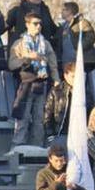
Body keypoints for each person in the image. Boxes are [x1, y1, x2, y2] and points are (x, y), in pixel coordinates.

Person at [9, 13, 58, 147]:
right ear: (27, 25)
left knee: (39, 119)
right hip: (26, 84)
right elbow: (12, 64)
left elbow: (53, 64)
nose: (38, 26)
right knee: (22, 117)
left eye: (40, 24)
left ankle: (37, 146)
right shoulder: (19, 44)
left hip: (41, 84)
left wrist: (56, 79)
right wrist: (28, 58)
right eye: (35, 23)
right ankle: (17, 146)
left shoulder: (45, 44)